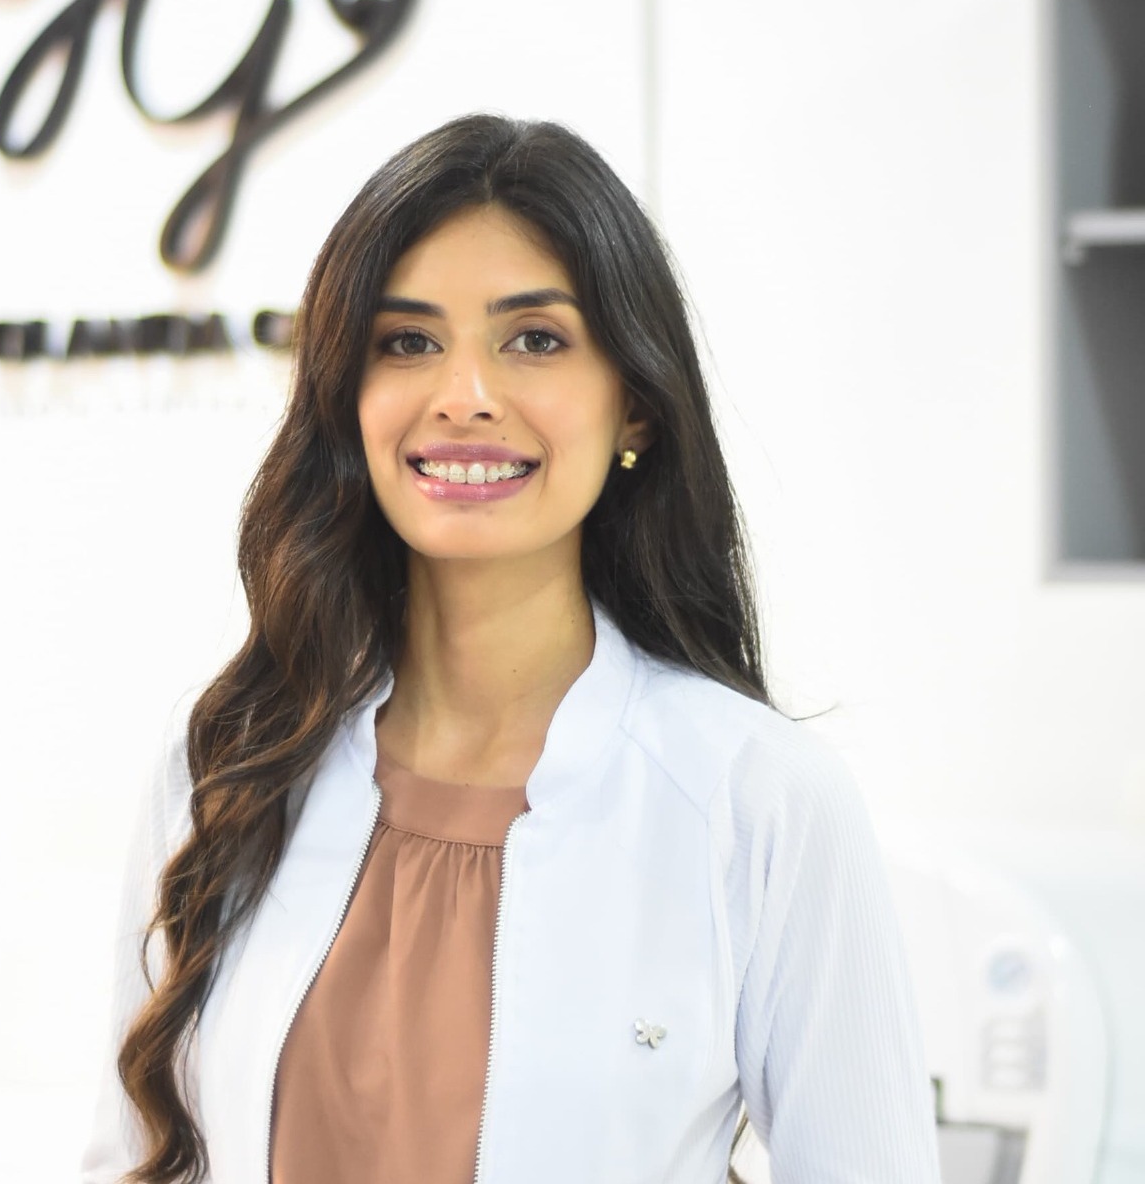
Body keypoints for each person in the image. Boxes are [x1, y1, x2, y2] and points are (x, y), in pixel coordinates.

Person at [81, 115, 941, 1184]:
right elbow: (131, 1158)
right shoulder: (228, 760)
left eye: (533, 339)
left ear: (634, 404)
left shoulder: (759, 796)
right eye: (408, 342)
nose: (465, 396)